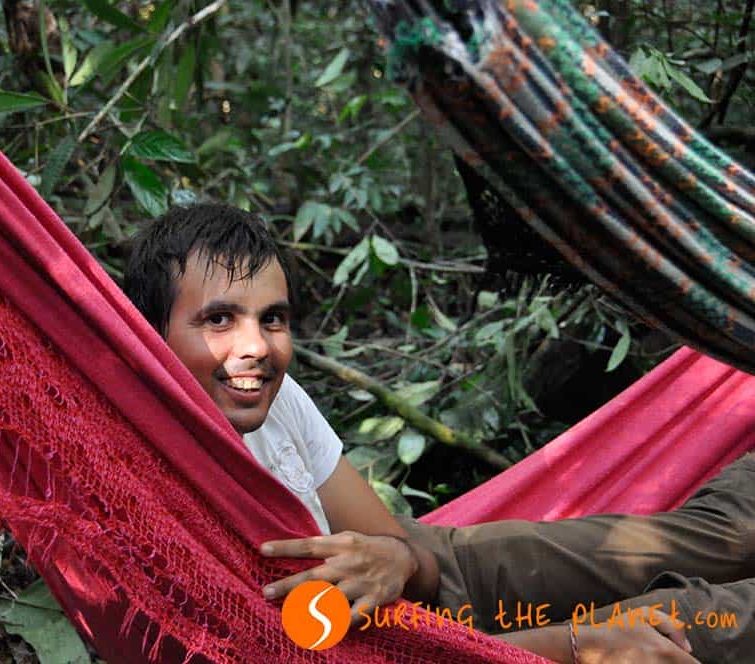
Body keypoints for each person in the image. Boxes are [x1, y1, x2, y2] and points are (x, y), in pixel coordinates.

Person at [122, 203, 747, 662]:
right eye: (219, 319)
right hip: (407, 641)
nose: (256, 345)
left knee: (717, 536)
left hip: (439, 583)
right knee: (679, 626)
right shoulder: (146, 498)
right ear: (150, 335)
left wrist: (397, 558)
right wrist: (578, 646)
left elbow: (406, 553)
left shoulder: (273, 398)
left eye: (274, 318)